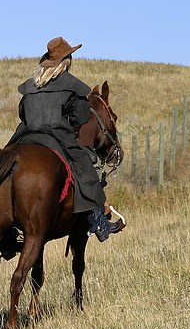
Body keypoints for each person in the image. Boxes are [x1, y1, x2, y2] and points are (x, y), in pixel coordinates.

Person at [7, 36, 121, 242]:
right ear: (66, 61)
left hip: (24, 136)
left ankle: (4, 232)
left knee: (0, 166)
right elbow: (81, 116)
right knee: (84, 166)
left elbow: (22, 112)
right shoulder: (70, 84)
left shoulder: (30, 86)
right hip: (56, 135)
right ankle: (99, 222)